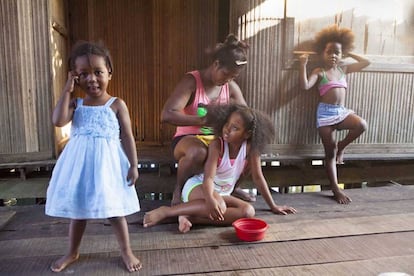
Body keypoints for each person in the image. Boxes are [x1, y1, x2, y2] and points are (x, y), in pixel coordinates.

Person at [45, 41, 142, 272]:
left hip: (107, 167)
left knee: (115, 211)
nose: (92, 79)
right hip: (79, 167)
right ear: (75, 77)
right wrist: (67, 89)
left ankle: (126, 251)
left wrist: (134, 165)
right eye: (83, 74)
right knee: (78, 212)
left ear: (109, 71)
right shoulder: (76, 104)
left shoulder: (116, 104)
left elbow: (127, 136)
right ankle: (72, 251)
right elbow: (58, 120)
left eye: (98, 72)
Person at [144, 104, 297, 232]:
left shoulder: (251, 149)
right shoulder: (218, 145)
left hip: (222, 194)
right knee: (220, 205)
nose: (227, 130)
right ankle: (167, 212)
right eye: (227, 124)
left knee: (248, 212)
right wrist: (210, 198)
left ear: (247, 134)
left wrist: (273, 206)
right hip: (199, 187)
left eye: (235, 128)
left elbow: (258, 177)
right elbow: (208, 178)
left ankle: (192, 217)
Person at [161, 34, 255, 206]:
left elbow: (246, 116)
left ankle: (231, 187)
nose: (228, 80)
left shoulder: (230, 87)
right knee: (199, 152)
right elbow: (167, 114)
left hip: (217, 140)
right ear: (216, 64)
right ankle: (179, 189)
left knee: (251, 150)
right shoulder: (191, 81)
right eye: (226, 74)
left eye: (233, 77)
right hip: (187, 139)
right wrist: (202, 121)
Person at [299, 25, 370, 204]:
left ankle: (342, 146)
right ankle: (335, 189)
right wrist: (303, 65)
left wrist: (348, 53)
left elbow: (366, 62)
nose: (333, 55)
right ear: (322, 53)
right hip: (325, 115)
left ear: (341, 54)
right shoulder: (319, 72)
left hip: (341, 112)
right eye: (329, 51)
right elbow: (305, 86)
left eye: (337, 52)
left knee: (362, 125)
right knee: (329, 154)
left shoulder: (343, 70)